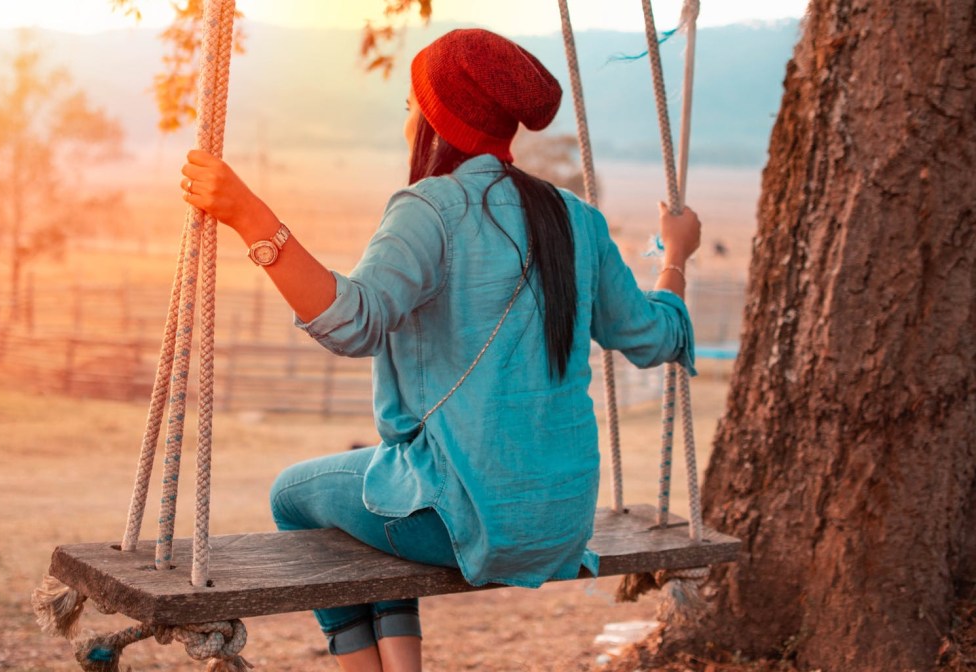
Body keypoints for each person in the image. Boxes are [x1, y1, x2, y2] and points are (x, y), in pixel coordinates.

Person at [180, 28, 700, 672]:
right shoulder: (575, 217)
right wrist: (674, 255)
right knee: (384, 481)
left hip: (468, 522)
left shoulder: (430, 208)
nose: (406, 122)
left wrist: (248, 215)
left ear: (434, 120)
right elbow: (655, 338)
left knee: (295, 496)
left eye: (408, 108)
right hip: (562, 524)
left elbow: (352, 324)